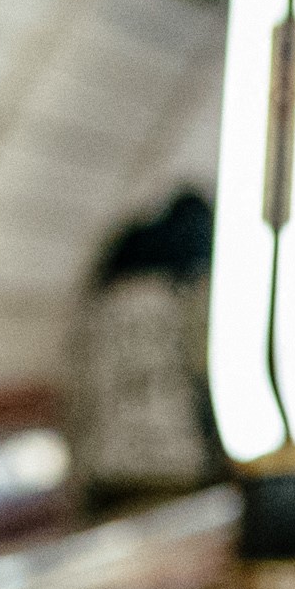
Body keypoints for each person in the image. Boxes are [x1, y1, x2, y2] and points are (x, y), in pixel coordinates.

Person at [71, 188, 219, 509]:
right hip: (174, 466)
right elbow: (206, 373)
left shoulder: (103, 294)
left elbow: (80, 389)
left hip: (105, 468)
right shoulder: (191, 291)